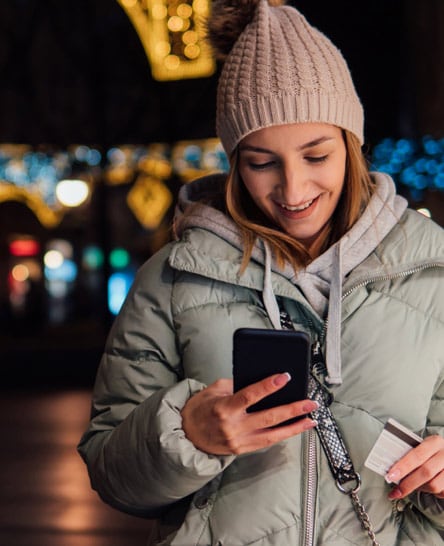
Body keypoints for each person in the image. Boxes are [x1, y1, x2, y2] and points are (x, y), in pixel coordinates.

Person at [78, 0, 444, 544]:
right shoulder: (172, 279)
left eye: (316, 156)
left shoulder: (434, 272)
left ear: (352, 145)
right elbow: (113, 476)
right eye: (261, 162)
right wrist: (187, 435)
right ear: (233, 162)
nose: (293, 191)